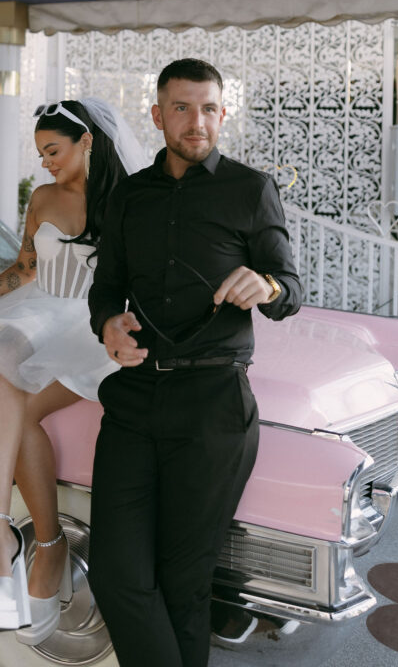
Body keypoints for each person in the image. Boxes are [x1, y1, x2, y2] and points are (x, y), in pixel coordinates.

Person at [87, 58, 302, 667]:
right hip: (133, 400)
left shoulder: (250, 188)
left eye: (208, 108)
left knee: (185, 585)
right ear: (157, 116)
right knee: (116, 574)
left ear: (222, 113)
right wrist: (107, 324)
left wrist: (266, 286)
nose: (195, 121)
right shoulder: (129, 194)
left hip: (214, 407)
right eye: (181, 107)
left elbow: (289, 286)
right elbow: (106, 287)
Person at [0, 98, 145, 645]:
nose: (45, 163)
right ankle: (18, 537)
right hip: (40, 307)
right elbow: (24, 268)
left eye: (54, 150)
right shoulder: (42, 197)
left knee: (10, 391)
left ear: (87, 141)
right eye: (40, 153)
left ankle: (28, 543)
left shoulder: (130, 201)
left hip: (93, 321)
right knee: (2, 355)